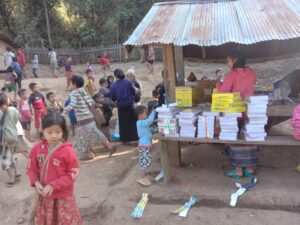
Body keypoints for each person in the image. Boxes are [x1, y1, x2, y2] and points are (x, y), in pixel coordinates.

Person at [27, 113, 82, 225]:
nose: (54, 136)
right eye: (49, 132)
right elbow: (31, 168)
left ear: (63, 131)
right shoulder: (37, 148)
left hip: (63, 196)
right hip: (44, 195)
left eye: (58, 132)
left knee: (65, 220)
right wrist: (36, 182)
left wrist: (53, 185)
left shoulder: (67, 151)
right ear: (42, 130)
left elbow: (73, 173)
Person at [217, 48, 257, 179]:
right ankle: (250, 168)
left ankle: (238, 169)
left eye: (228, 60)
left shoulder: (232, 75)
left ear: (234, 60)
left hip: (234, 113)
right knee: (249, 138)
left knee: (236, 139)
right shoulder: (252, 73)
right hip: (250, 111)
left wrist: (219, 84)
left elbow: (223, 93)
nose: (227, 63)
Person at [63, 75, 116, 160]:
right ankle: (110, 146)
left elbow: (72, 104)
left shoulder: (74, 93)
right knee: (96, 133)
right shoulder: (84, 91)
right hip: (90, 117)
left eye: (71, 82)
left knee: (82, 137)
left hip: (82, 119)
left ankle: (89, 154)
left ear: (74, 84)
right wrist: (97, 105)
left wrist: (63, 113)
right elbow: (92, 102)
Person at [110, 69, 138, 144]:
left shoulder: (113, 85)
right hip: (130, 105)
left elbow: (113, 98)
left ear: (115, 76)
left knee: (123, 123)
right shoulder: (128, 82)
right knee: (132, 122)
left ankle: (125, 140)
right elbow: (134, 92)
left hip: (121, 106)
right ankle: (134, 139)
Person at [0, 93, 22, 187]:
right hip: (13, 135)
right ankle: (16, 173)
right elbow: (17, 118)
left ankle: (12, 178)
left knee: (5, 159)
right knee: (13, 154)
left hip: (4, 139)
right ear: (7, 100)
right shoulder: (13, 109)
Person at [135, 105, 156, 186]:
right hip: (144, 146)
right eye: (145, 113)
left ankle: (145, 175)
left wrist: (154, 130)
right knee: (144, 162)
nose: (147, 114)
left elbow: (148, 129)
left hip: (145, 146)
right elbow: (149, 121)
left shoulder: (142, 123)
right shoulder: (140, 123)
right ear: (140, 115)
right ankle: (141, 177)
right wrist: (153, 112)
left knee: (147, 160)